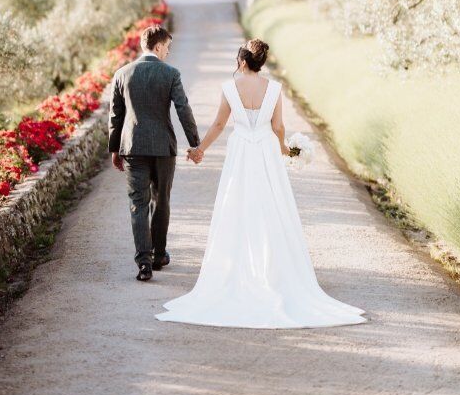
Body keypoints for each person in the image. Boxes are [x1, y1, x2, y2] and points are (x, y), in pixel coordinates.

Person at [156, 38, 368, 328]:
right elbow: (278, 126)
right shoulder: (274, 89)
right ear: (261, 63)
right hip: (266, 152)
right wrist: (283, 149)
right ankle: (275, 272)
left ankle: (239, 271)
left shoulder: (230, 88)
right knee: (272, 208)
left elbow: (219, 124)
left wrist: (200, 149)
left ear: (242, 61)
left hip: (241, 151)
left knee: (238, 208)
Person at [110, 24, 200, 282]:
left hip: (132, 148)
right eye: (168, 48)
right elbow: (183, 109)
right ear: (158, 46)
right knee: (161, 201)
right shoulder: (171, 74)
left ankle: (144, 263)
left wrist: (114, 149)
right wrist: (195, 143)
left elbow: (116, 116)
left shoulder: (122, 74)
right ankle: (159, 254)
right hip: (163, 148)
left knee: (138, 204)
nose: (168, 53)